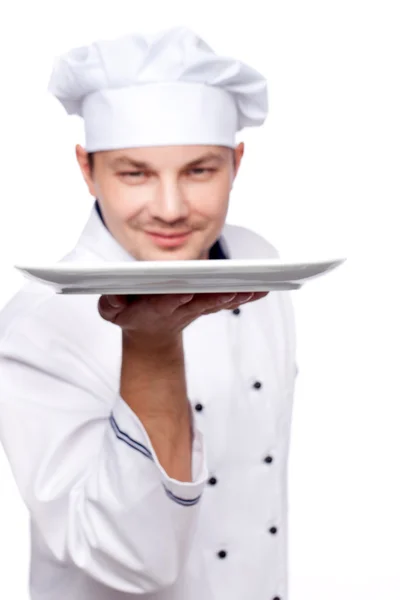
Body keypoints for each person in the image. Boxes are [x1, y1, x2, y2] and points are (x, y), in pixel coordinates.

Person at [0, 26, 298, 600]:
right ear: (88, 169)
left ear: (237, 162)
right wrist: (152, 344)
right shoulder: (37, 325)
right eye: (135, 173)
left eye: (199, 170)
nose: (170, 208)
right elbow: (129, 560)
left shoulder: (261, 265)